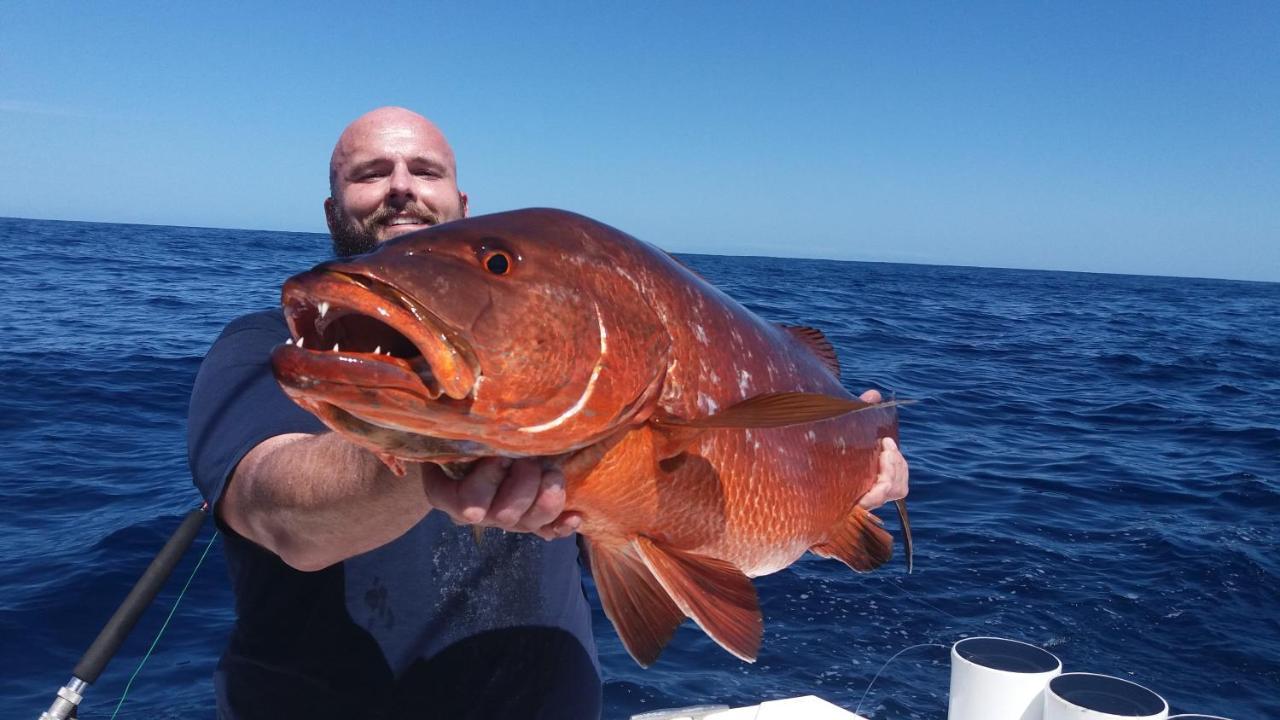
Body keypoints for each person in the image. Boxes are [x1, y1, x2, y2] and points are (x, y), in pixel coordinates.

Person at [187, 106, 909, 720]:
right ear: (332, 210)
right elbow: (278, 511)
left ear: (464, 208)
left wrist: (849, 482)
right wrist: (430, 453)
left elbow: (733, 500)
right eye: (370, 173)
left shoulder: (598, 403)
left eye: (426, 172)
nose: (401, 188)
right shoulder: (267, 346)